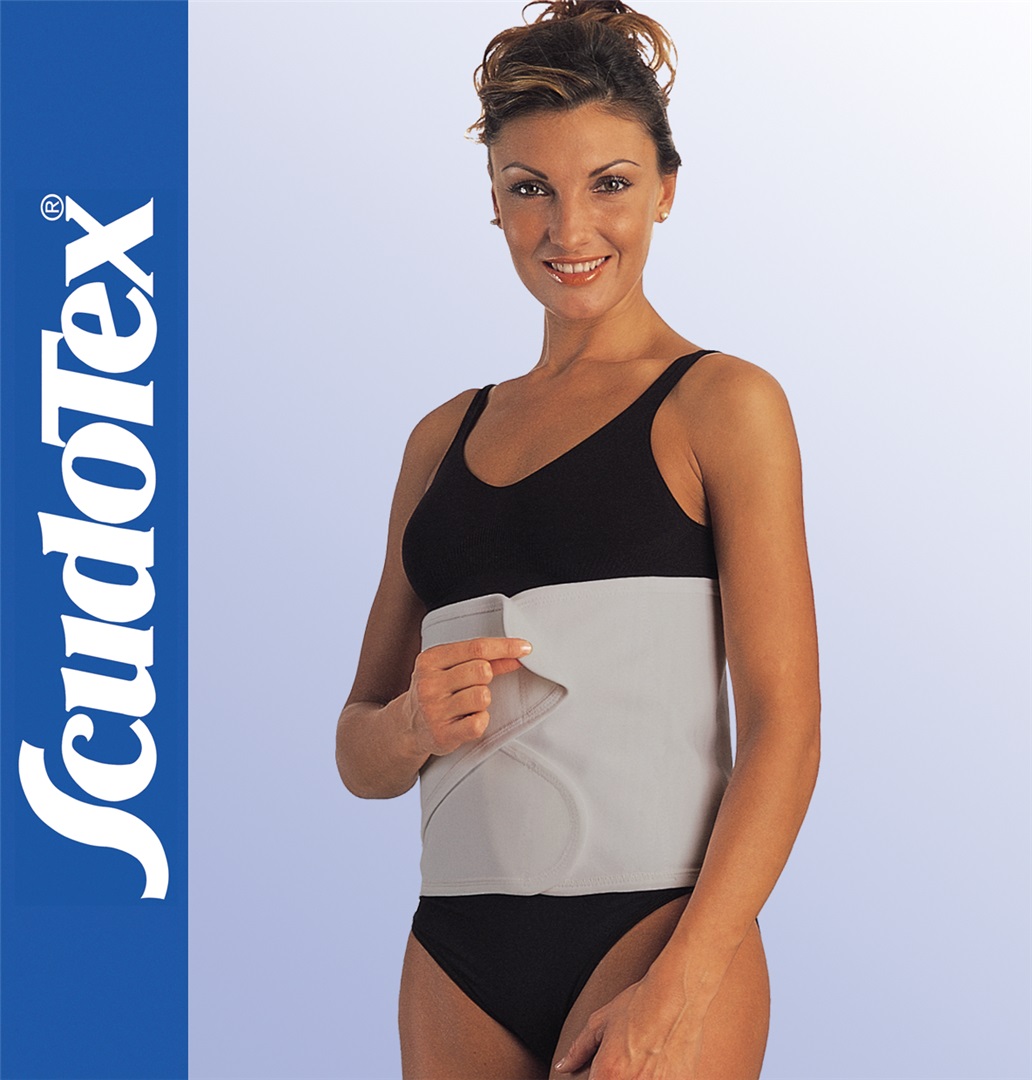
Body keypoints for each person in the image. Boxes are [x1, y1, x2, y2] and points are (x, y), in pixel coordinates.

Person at [335, 1, 820, 1076]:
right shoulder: (438, 440)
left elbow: (785, 729)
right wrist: (412, 723)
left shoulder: (722, 405)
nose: (569, 230)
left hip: (655, 930)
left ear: (666, 189)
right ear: (493, 200)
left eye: (610, 184)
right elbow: (358, 751)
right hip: (455, 948)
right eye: (530, 190)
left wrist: (681, 984)